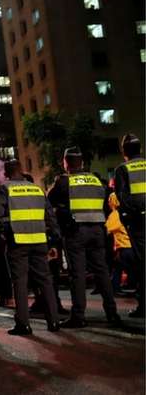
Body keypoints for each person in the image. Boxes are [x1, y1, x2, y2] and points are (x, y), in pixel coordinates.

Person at [48, 147, 121, 328]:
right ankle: (112, 313)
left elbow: (49, 202)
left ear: (66, 162)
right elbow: (106, 204)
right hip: (97, 231)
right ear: (82, 162)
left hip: (76, 232)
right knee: (102, 272)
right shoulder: (96, 180)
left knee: (77, 274)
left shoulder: (64, 182)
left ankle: (78, 316)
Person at [0, 159, 61, 335]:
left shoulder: (3, 189)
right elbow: (50, 216)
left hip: (18, 242)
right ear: (21, 170)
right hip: (39, 241)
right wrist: (54, 239)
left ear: (6, 173)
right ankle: (53, 321)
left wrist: (6, 232)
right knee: (46, 281)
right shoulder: (37, 189)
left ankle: (23, 324)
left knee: (20, 283)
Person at [113, 134, 145, 317]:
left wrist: (128, 218)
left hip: (138, 222)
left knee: (141, 264)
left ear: (124, 151)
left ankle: (144, 305)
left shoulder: (122, 169)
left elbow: (123, 198)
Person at [105, 193, 134, 296]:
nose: (108, 202)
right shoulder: (126, 211)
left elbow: (107, 229)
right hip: (130, 245)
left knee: (120, 267)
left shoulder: (115, 214)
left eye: (110, 200)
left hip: (125, 246)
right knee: (122, 267)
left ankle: (115, 288)